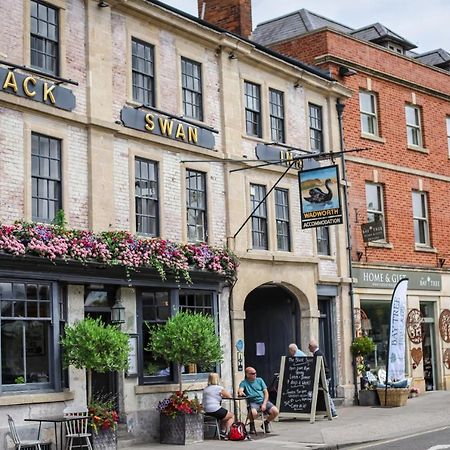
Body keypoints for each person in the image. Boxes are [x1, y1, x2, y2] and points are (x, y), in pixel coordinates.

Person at [238, 366, 279, 433]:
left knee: (275, 411)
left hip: (263, 400)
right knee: (253, 413)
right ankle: (252, 424)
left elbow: (266, 393)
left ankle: (266, 423)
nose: (255, 375)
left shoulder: (260, 380)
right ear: (247, 374)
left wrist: (264, 404)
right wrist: (241, 392)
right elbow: (240, 390)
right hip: (253, 402)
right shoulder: (244, 382)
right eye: (252, 373)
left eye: (255, 373)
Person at [308, 338, 337, 418]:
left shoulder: (318, 354)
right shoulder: (318, 353)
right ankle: (329, 412)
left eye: (309, 346)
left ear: (312, 346)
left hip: (324, 377)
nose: (308, 348)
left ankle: (333, 412)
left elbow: (319, 367)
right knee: (325, 394)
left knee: (326, 394)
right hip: (323, 376)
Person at [202, 372, 234, 438]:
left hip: (206, 410)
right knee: (231, 416)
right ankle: (227, 433)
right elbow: (229, 396)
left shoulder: (205, 389)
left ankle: (222, 431)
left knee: (223, 415)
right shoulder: (219, 388)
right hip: (215, 409)